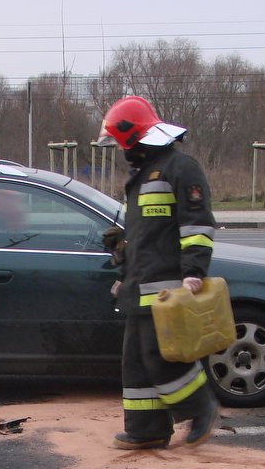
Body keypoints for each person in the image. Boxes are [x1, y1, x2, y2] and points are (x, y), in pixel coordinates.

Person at [95, 96, 222, 450]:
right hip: (140, 285)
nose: (121, 150)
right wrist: (123, 268)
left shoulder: (181, 168)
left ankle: (202, 409)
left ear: (132, 137)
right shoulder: (143, 175)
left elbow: (197, 227)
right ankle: (146, 429)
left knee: (162, 356)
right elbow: (143, 236)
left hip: (167, 286)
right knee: (136, 362)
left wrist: (194, 272)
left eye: (121, 143)